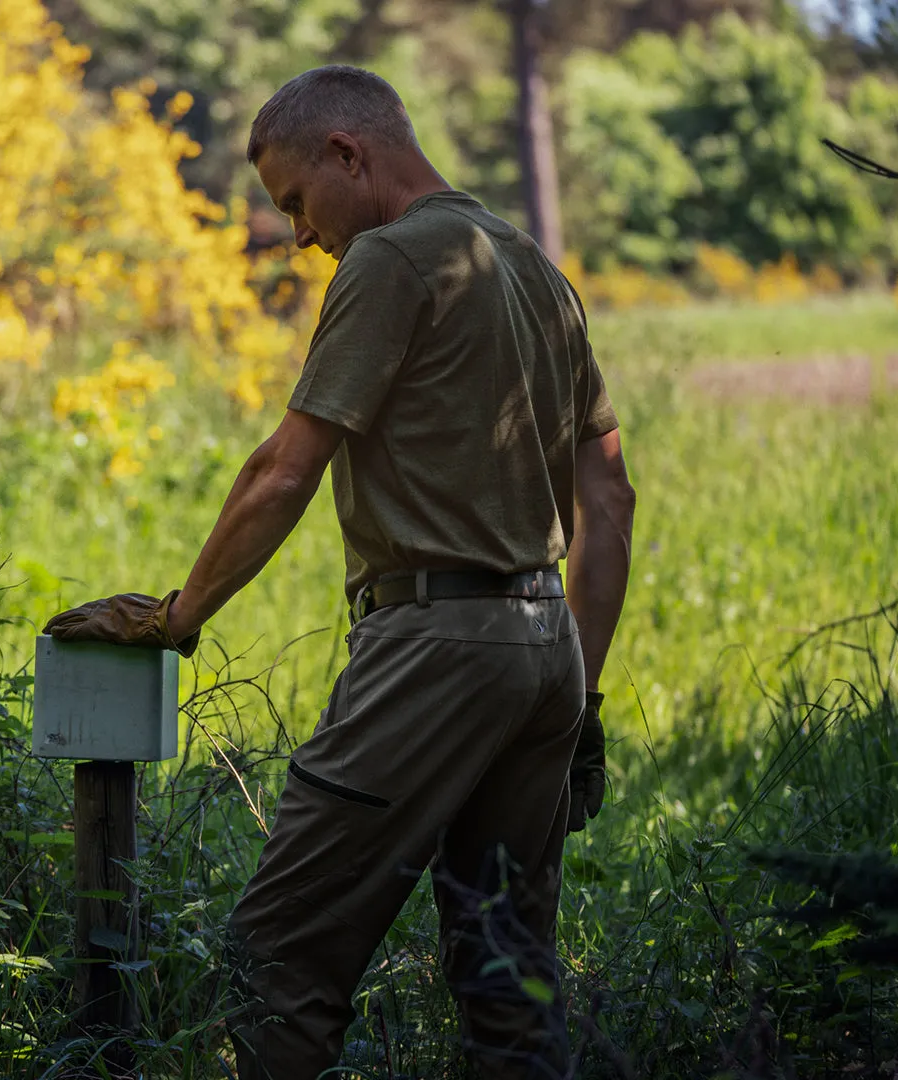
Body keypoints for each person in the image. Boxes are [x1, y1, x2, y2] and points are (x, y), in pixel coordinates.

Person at [44, 65, 635, 1079]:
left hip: (435, 652)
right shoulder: (534, 267)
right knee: (511, 986)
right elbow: (612, 497)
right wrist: (582, 690)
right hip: (545, 656)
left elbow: (284, 469)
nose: (302, 234)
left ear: (349, 154)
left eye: (297, 202)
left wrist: (179, 616)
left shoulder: (392, 262)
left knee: (274, 958)